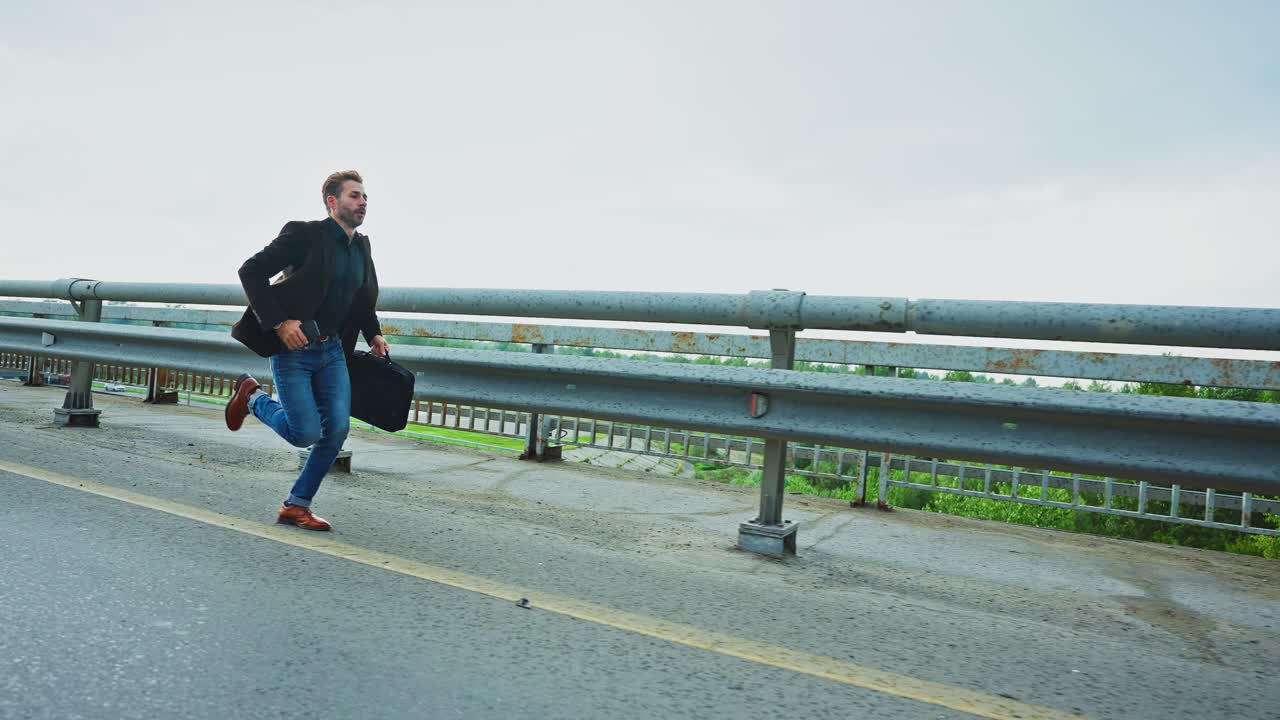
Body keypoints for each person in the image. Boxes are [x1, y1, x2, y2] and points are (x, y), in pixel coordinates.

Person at [225, 170, 390, 531]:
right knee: (304, 433)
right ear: (332, 202)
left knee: (336, 430)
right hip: (293, 350)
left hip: (332, 351)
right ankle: (252, 397)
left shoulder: (361, 246)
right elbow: (250, 271)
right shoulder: (304, 235)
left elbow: (362, 298)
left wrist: (374, 334)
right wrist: (280, 323)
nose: (363, 202)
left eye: (365, 197)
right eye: (354, 196)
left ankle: (296, 505)